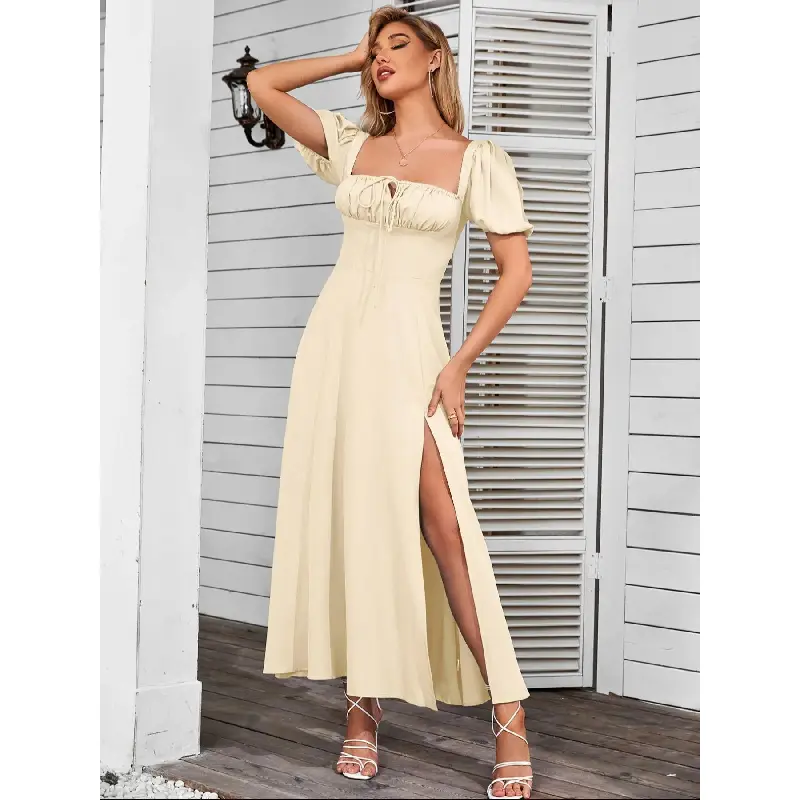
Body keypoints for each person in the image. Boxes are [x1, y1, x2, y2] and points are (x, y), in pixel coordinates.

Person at [247, 5, 534, 798]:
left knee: (446, 528)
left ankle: (510, 718)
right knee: (359, 523)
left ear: (435, 57)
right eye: (375, 49)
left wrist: (460, 365)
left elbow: (516, 273)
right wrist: (352, 58)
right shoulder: (351, 145)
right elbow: (264, 86)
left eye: (397, 44)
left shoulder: (476, 160)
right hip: (334, 352)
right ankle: (361, 713)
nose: (381, 58)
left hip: (413, 357)